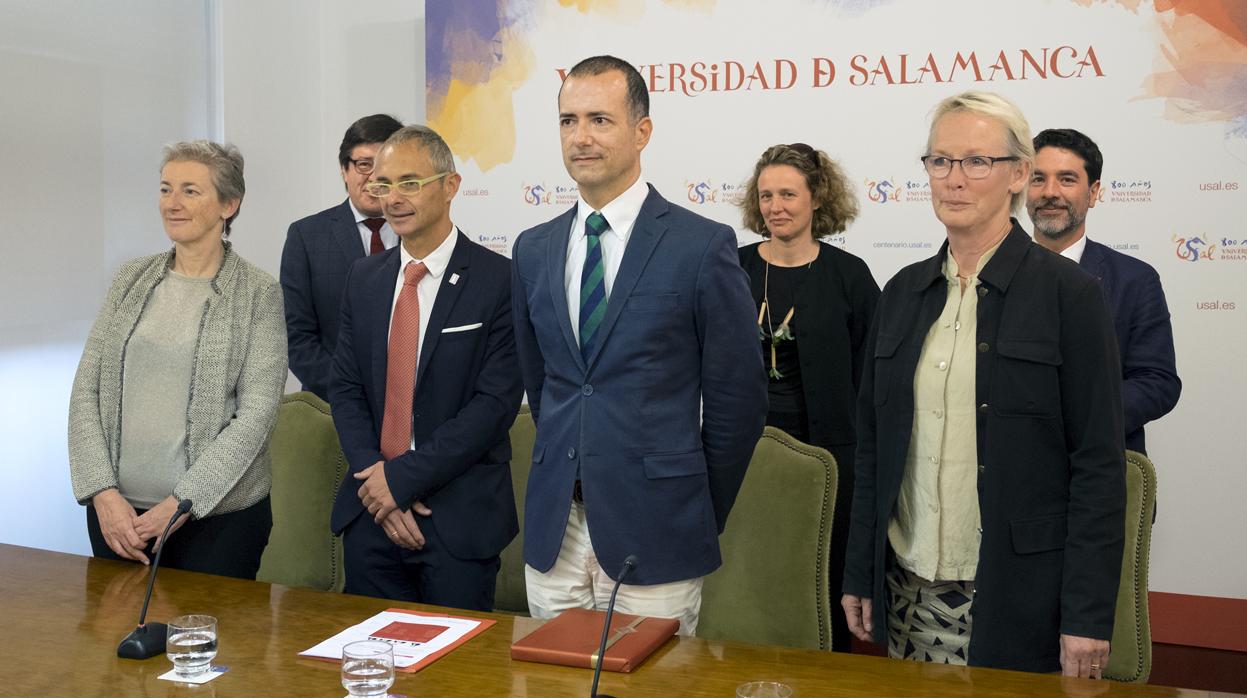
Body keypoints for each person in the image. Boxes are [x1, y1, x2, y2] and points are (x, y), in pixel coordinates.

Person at [841, 92, 1126, 676]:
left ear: (1018, 174)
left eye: (976, 162)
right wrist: (859, 571)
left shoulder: (1069, 295)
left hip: (1017, 593)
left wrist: (1087, 616)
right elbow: (872, 448)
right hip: (907, 589)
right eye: (939, 161)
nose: (954, 179)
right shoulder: (901, 293)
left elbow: (1098, 465)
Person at [511, 55, 767, 635]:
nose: (581, 137)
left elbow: (738, 402)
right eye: (568, 120)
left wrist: (693, 504)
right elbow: (546, 382)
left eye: (600, 119)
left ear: (642, 131)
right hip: (559, 528)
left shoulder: (701, 246)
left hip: (659, 527)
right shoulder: (533, 249)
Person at [69, 140, 286, 580]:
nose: (173, 203)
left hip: (218, 523)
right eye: (166, 189)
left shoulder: (258, 293)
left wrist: (182, 501)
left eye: (190, 191)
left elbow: (256, 414)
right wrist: (101, 493)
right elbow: (85, 391)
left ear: (229, 204)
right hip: (119, 521)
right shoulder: (130, 279)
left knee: (205, 648)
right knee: (116, 644)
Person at [329, 125, 521, 611]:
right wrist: (377, 479)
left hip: (457, 518)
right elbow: (346, 387)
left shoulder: (500, 280)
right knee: (371, 673)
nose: (393, 198)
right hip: (369, 512)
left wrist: (402, 481)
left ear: (451, 186)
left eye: (410, 182)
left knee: (458, 679)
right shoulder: (364, 277)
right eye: (384, 184)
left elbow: (493, 406)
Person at [737, 142, 879, 652]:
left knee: (824, 575)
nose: (776, 206)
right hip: (744, 455)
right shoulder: (733, 269)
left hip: (831, 458)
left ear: (816, 197)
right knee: (751, 571)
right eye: (767, 194)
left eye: (789, 194)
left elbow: (873, 376)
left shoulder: (850, 275)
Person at [1025, 128, 1180, 454]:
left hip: (1102, 471)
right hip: (1008, 476)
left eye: (1067, 179)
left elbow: (1157, 382)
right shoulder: (990, 275)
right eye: (1038, 179)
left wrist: (1075, 419)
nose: (1050, 192)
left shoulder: (1135, 280)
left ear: (1093, 193)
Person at [281, 114, 404, 401]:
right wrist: (350, 392)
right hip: (331, 407)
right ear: (344, 170)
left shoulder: (422, 234)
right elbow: (296, 336)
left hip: (414, 409)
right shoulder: (306, 236)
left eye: (386, 165)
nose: (374, 177)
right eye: (363, 165)